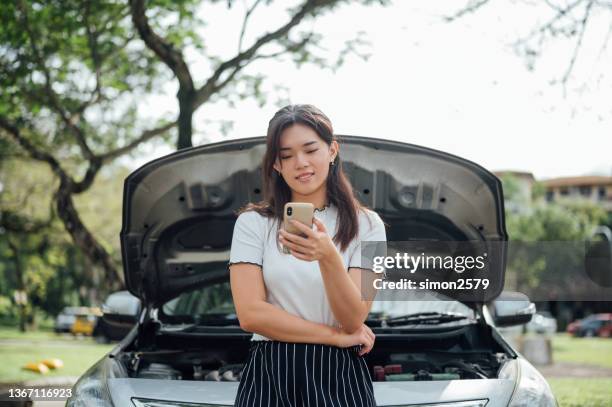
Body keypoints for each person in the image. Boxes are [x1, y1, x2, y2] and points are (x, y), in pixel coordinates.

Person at [229, 104, 387, 406]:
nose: (300, 163)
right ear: (276, 164)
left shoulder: (371, 226)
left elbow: (355, 317)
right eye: (286, 155)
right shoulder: (251, 224)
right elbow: (250, 315)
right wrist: (334, 336)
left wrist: (328, 257)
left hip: (339, 377)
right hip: (270, 375)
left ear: (332, 150)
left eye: (311, 149)